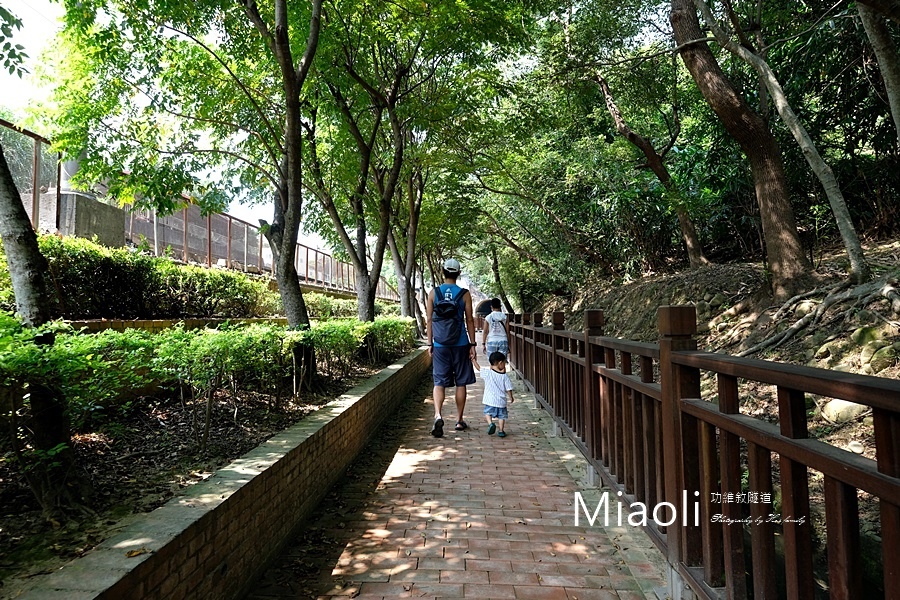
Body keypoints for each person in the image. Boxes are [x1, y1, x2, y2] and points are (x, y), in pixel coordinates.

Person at [426, 258, 477, 437]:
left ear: (443, 271)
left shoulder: (434, 293)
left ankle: (438, 415)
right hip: (461, 343)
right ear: (458, 273)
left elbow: (429, 320)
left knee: (439, 382)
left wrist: (430, 343)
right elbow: (470, 320)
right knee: (460, 382)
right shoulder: (464, 294)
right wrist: (472, 344)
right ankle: (459, 420)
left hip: (440, 344)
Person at [473, 351, 515, 437]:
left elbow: (479, 368)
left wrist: (473, 360)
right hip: (501, 402)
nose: (504, 365)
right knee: (501, 417)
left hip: (489, 400)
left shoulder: (488, 373)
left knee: (488, 413)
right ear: (500, 363)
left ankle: (490, 423)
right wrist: (511, 397)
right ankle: (501, 431)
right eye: (504, 363)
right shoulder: (504, 376)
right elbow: (508, 389)